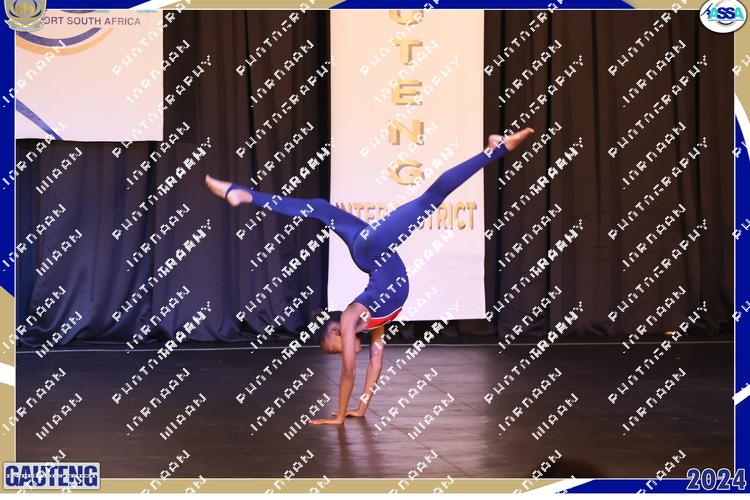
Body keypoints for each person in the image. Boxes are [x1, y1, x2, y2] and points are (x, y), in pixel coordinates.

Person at [205, 128, 534, 425]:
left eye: (333, 348)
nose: (340, 353)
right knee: (320, 207)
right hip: (367, 250)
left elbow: (348, 372)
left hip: (371, 250)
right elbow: (375, 364)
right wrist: (361, 408)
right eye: (336, 352)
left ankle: (497, 149)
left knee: (431, 198)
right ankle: (242, 193)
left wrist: (338, 415)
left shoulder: (351, 318)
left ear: (336, 331)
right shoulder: (373, 323)